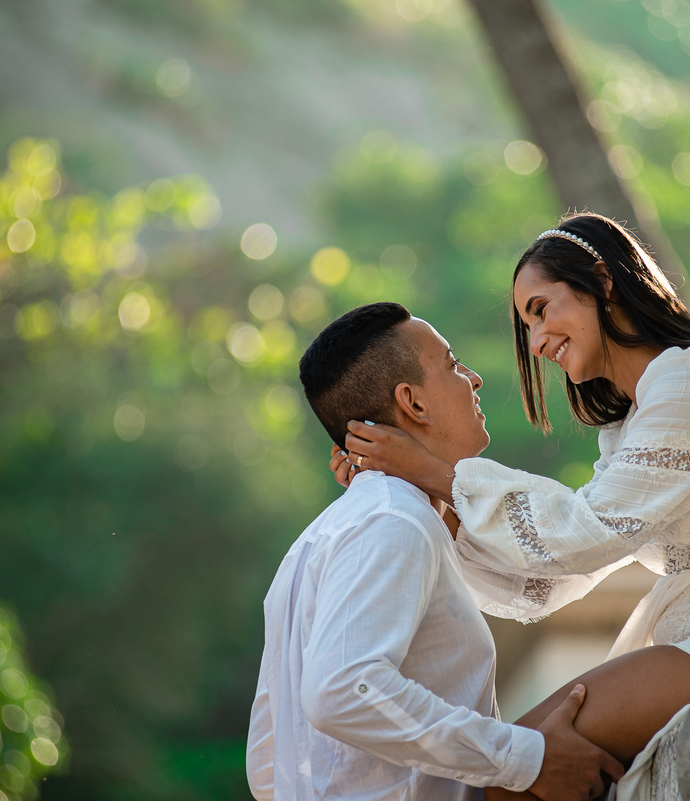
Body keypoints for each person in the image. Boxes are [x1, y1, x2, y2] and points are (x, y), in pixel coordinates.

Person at [334, 213, 690, 801]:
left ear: (602, 283)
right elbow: (563, 574)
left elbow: (585, 533)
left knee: (507, 776)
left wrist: (433, 471)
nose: (536, 343)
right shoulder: (635, 424)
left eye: (540, 309)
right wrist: (435, 504)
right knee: (516, 771)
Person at [247, 302, 624, 801]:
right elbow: (342, 691)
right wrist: (525, 759)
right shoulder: (392, 523)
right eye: (451, 364)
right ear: (413, 403)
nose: (473, 379)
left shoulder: (323, 536)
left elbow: (269, 759)